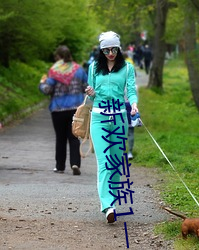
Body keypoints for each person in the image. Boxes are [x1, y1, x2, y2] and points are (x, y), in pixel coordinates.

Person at [85, 31, 138, 223]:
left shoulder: (127, 68)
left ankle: (112, 202)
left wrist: (133, 104)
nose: (110, 53)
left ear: (119, 48)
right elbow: (91, 97)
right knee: (104, 161)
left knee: (115, 163)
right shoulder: (93, 68)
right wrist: (90, 92)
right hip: (98, 118)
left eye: (114, 49)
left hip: (119, 119)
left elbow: (131, 90)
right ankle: (107, 205)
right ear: (101, 50)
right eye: (106, 50)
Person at [39, 45, 88, 175]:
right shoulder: (79, 70)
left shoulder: (54, 71)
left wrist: (42, 83)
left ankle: (60, 166)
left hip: (58, 109)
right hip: (75, 109)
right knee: (74, 137)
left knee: (60, 138)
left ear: (58, 57)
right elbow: (86, 87)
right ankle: (75, 163)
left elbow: (47, 90)